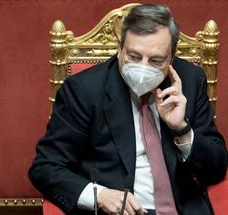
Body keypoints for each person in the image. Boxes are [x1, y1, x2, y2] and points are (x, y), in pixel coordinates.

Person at [29, 4, 227, 215]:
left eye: (156, 61)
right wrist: (99, 195)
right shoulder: (85, 90)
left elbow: (216, 168)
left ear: (172, 57)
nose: (142, 68)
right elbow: (45, 167)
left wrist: (182, 130)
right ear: (119, 47)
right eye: (133, 57)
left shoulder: (190, 80)